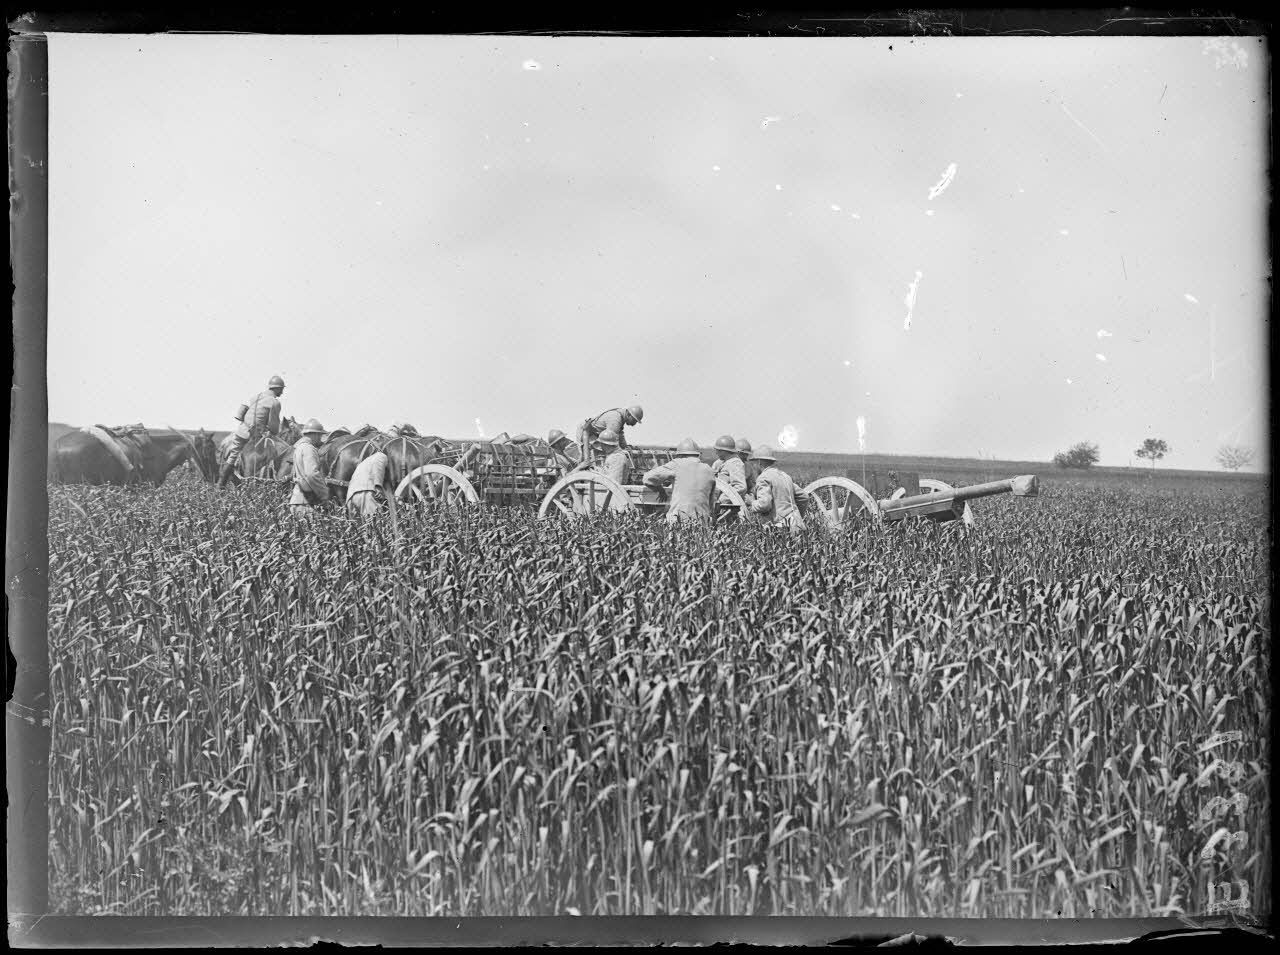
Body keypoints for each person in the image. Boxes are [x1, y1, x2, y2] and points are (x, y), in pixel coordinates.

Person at [218, 375, 285, 488]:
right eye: (281, 389)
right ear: (277, 388)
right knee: (277, 452)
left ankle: (220, 484)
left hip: (241, 432)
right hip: (255, 436)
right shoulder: (274, 403)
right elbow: (274, 428)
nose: (282, 392)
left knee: (233, 456)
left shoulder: (256, 397)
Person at [641, 438, 716, 525]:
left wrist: (660, 489)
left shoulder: (677, 464)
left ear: (679, 455)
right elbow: (712, 502)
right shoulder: (709, 470)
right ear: (698, 455)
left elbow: (647, 478)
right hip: (702, 522)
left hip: (678, 521)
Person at [746, 445, 811, 534]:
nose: (753, 466)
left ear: (759, 462)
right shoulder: (785, 476)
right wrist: (797, 517)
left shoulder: (763, 478)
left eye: (754, 463)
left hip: (781, 529)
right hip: (798, 525)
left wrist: (752, 502)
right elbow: (804, 497)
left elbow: (764, 505)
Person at [289, 418, 330, 515]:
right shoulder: (309, 448)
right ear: (315, 434)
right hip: (307, 503)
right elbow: (312, 474)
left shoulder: (299, 448)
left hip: (297, 500)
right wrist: (325, 495)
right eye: (320, 435)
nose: (320, 439)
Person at [577, 404, 643, 460]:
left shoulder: (620, 417)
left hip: (596, 435)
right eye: (634, 420)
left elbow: (620, 434)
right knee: (608, 451)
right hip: (588, 434)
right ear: (628, 414)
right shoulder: (615, 419)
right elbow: (612, 441)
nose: (634, 424)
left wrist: (625, 447)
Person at [345, 449, 394, 518]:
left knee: (360, 523)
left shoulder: (365, 462)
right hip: (366, 493)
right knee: (376, 521)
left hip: (352, 496)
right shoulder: (381, 456)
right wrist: (378, 486)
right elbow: (378, 467)